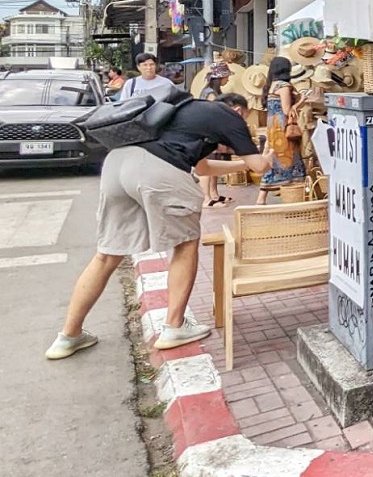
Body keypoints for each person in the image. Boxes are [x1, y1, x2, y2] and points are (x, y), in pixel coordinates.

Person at [46, 93, 274, 360]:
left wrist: (238, 165)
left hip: (117, 166)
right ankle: (174, 327)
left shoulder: (181, 111)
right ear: (238, 109)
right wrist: (267, 157)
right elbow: (258, 165)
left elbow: (201, 169)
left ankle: (68, 336)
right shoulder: (228, 116)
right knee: (186, 244)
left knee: (107, 254)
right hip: (157, 168)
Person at [257, 56, 307, 204]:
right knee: (290, 159)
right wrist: (301, 102)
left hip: (273, 128)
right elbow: (286, 110)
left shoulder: (271, 85)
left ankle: (262, 197)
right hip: (283, 129)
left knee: (272, 161)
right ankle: (295, 196)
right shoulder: (284, 86)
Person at [199, 63, 232, 208]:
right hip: (208, 132)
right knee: (207, 165)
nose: (228, 79)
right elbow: (213, 114)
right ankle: (206, 198)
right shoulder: (211, 94)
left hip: (210, 131)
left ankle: (214, 194)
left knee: (213, 163)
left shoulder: (211, 91)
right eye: (226, 76)